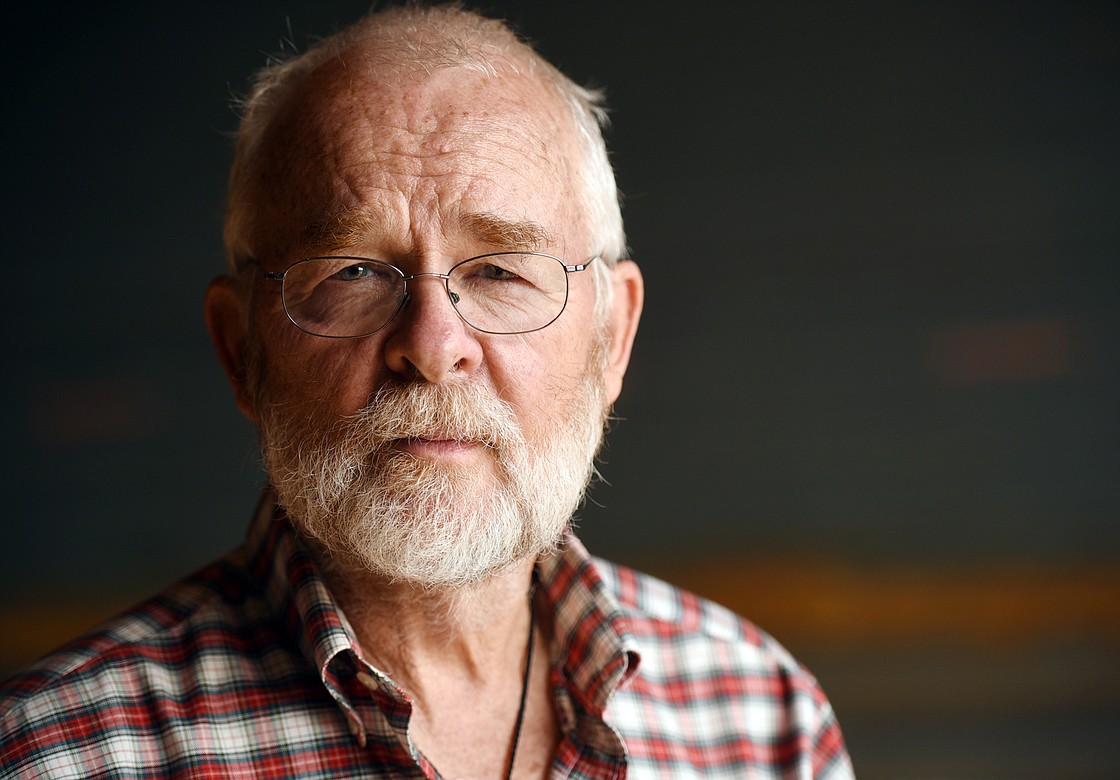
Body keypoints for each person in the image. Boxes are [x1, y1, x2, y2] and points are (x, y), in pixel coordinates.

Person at [1, 5, 853, 778]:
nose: (434, 346)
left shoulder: (762, 723)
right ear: (239, 350)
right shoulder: (60, 756)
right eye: (356, 272)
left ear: (611, 339)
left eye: (499, 273)